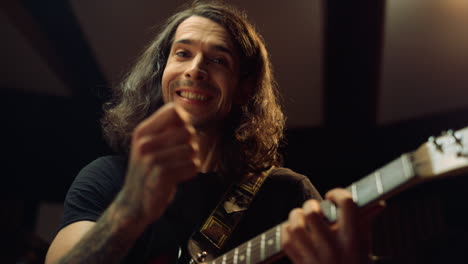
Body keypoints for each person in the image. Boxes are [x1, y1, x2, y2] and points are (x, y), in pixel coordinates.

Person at [45, 1, 382, 263]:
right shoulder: (107, 177)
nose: (195, 70)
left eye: (218, 60)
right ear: (163, 72)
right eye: (183, 54)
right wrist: (131, 208)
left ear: (244, 89)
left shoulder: (288, 195)